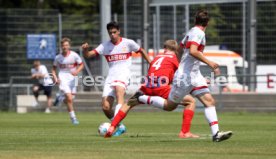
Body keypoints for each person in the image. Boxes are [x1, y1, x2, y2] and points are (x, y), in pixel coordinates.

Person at [113, 9, 233, 142]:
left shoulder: (191, 32)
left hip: (194, 75)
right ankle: (143, 99)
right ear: (208, 23)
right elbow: (193, 51)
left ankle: (216, 134)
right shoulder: (198, 33)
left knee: (209, 101)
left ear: (195, 20)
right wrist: (209, 62)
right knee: (170, 106)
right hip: (185, 76)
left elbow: (181, 49)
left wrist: (185, 64)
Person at [105, 40, 199, 138]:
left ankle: (112, 127)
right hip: (161, 87)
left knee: (128, 104)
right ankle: (185, 132)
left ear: (165, 49)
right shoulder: (174, 59)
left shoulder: (156, 57)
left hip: (147, 86)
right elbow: (180, 76)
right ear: (176, 50)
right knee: (189, 102)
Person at [82, 21, 151, 136]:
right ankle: (120, 126)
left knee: (120, 92)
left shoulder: (128, 43)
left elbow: (142, 50)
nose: (112, 35)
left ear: (119, 31)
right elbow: (89, 55)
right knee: (105, 107)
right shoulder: (105, 46)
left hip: (124, 75)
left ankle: (112, 127)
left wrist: (151, 63)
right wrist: (85, 50)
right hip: (111, 77)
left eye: (114, 32)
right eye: (110, 33)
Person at [52, 37, 84, 125]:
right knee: (69, 98)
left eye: (66, 45)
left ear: (69, 46)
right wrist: (55, 78)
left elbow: (81, 65)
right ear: (61, 47)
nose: (65, 47)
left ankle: (60, 98)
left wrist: (77, 71)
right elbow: (53, 69)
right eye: (63, 45)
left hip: (72, 79)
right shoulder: (58, 57)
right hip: (63, 77)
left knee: (71, 99)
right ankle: (73, 118)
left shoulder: (74, 55)